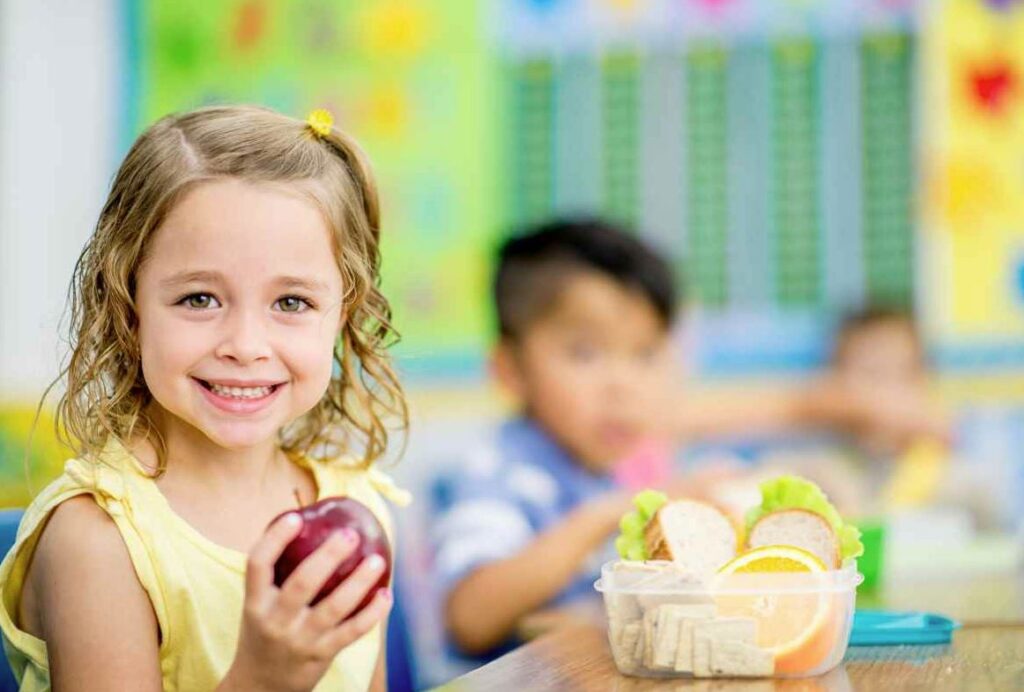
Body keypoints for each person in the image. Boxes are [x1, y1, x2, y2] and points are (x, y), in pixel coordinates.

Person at [0, 105, 411, 691]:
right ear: (127, 305)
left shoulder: (359, 507)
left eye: (291, 303)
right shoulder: (99, 541)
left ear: (341, 317)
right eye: (199, 299)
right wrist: (264, 677)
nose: (245, 346)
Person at [430, 219, 951, 662]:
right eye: (585, 353)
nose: (623, 385)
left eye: (645, 355)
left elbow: (775, 407)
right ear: (510, 370)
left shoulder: (596, 457)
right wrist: (615, 510)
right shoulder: (498, 472)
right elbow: (469, 617)